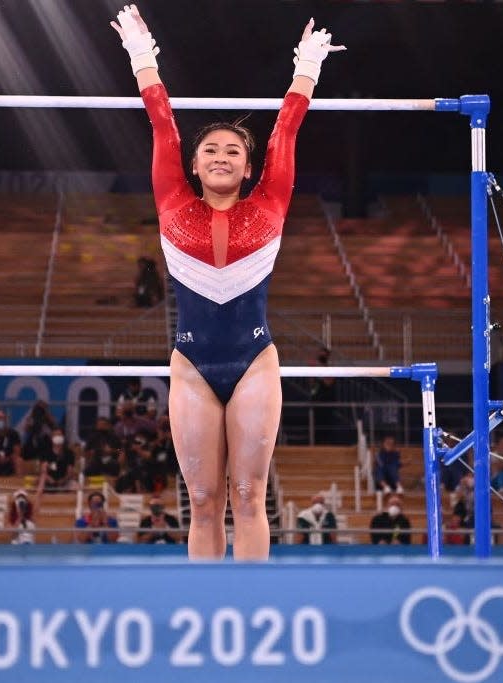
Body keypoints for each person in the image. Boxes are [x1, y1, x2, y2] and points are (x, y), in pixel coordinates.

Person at [111, 4, 344, 560]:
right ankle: (209, 612)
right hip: (191, 368)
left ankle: (251, 611)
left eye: (233, 151)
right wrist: (142, 55)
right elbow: (161, 121)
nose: (221, 156)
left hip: (254, 361)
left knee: (248, 494)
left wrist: (306, 65)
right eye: (210, 150)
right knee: (206, 498)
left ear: (249, 167)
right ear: (192, 166)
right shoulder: (170, 196)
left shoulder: (271, 200)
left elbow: (287, 129)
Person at [36, 427, 77, 493]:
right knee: (40, 481)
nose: (58, 437)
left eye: (60, 435)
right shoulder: (45, 452)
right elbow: (43, 470)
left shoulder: (69, 453)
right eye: (56, 435)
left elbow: (70, 472)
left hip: (64, 481)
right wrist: (50, 479)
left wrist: (63, 480)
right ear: (51, 438)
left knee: (75, 486)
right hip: (49, 481)